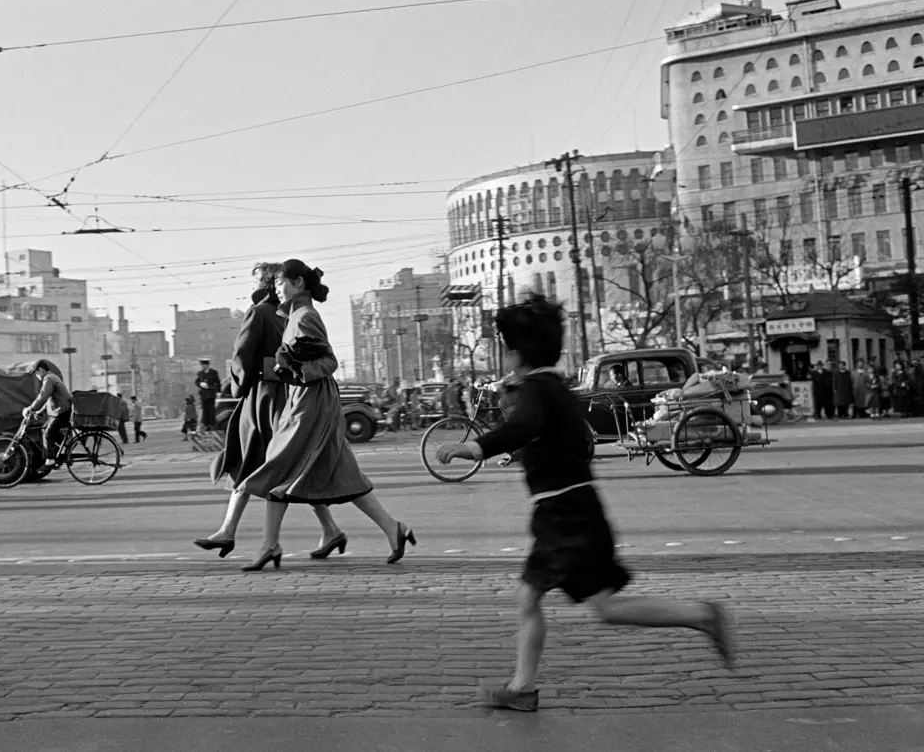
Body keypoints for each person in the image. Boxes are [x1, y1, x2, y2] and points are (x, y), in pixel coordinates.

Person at [435, 295, 733, 712]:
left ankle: (523, 687)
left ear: (516, 352)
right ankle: (700, 616)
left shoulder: (537, 389)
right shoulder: (551, 388)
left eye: (505, 347)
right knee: (596, 607)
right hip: (573, 512)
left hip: (566, 517)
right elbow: (557, 439)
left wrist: (476, 447)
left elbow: (525, 426)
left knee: (548, 600)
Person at [238, 260, 416, 571]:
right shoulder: (294, 316)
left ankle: (270, 545)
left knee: (278, 466)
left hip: (311, 402)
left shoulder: (305, 316)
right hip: (304, 398)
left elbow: (329, 361)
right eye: (276, 285)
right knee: (339, 473)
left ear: (299, 285)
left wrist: (295, 368)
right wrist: (280, 368)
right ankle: (393, 528)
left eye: (281, 285)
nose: (276, 290)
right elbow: (293, 364)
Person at [196, 262, 343, 558]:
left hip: (263, 398)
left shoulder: (261, 312)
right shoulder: (289, 313)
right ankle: (329, 530)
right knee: (297, 465)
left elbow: (242, 357)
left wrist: (237, 386)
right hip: (292, 394)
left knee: (251, 460)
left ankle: (241, 535)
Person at [22, 363, 73, 467]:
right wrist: (39, 412)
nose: (36, 376)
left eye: (36, 373)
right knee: (44, 429)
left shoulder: (48, 378)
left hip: (62, 411)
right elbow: (49, 400)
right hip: (61, 410)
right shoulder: (52, 377)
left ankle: (50, 459)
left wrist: (30, 408)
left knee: (47, 433)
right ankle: (64, 447)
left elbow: (42, 397)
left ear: (40, 370)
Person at [195, 359, 220, 433]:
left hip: (211, 393)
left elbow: (217, 382)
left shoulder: (213, 372)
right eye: (201, 365)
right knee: (205, 410)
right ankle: (206, 425)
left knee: (211, 410)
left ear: (207, 365)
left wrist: (218, 391)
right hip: (204, 394)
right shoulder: (200, 373)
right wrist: (200, 384)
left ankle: (212, 425)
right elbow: (197, 381)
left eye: (203, 365)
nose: (202, 366)